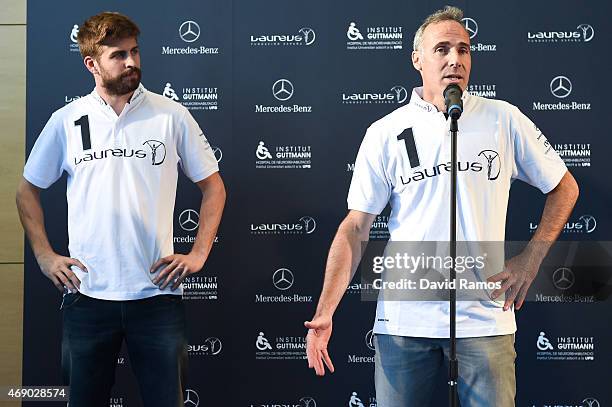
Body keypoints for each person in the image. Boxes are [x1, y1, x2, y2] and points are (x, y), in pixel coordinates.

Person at [304, 6, 578, 407]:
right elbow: (356, 227)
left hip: (485, 321)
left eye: (464, 50)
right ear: (417, 59)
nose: (455, 59)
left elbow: (564, 187)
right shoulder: (384, 133)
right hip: (403, 325)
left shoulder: (503, 119)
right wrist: (326, 309)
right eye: (442, 49)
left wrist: (532, 257)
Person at [16, 12, 226, 407]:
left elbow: (213, 188)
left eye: (134, 51)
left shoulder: (171, 115)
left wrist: (198, 254)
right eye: (119, 55)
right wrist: (44, 255)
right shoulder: (67, 120)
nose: (132, 62)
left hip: (158, 295)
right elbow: (27, 191)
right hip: (87, 295)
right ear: (92, 64)